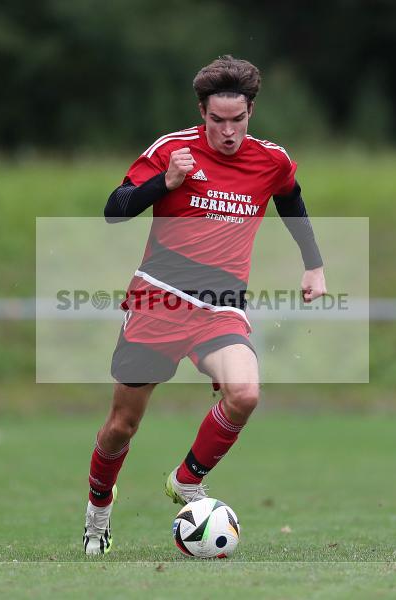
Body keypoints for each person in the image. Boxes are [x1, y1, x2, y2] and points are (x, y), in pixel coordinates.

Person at [83, 55, 327, 555]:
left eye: (238, 120)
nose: (229, 132)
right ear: (202, 112)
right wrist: (164, 184)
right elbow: (114, 210)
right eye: (218, 121)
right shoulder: (172, 151)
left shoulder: (270, 160)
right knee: (121, 426)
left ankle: (187, 480)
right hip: (157, 300)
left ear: (250, 113)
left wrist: (314, 264)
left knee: (245, 393)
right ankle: (98, 509)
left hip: (220, 306)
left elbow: (291, 197)